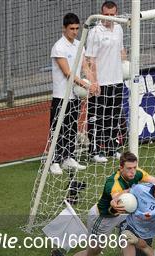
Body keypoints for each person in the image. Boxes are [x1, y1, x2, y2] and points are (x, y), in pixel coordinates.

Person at [49, 13, 98, 175]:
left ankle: (68, 157)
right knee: (58, 128)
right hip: (61, 96)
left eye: (77, 28)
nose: (74, 32)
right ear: (64, 28)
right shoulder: (59, 47)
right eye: (71, 29)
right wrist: (84, 84)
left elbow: (85, 67)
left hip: (75, 95)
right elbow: (67, 72)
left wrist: (93, 82)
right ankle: (54, 161)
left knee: (71, 127)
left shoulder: (79, 45)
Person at [85, 1, 127, 163]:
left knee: (113, 116)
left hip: (116, 80)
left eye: (112, 15)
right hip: (101, 82)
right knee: (98, 117)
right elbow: (91, 60)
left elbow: (121, 51)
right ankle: (94, 150)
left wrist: (126, 63)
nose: (109, 18)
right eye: (106, 15)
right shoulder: (95, 32)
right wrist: (94, 82)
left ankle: (111, 147)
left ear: (116, 14)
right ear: (101, 14)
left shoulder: (119, 28)